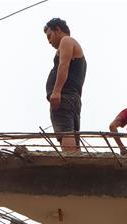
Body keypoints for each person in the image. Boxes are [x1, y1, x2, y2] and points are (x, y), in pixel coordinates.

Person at [44, 18, 86, 152]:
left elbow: (64, 65)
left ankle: (70, 162)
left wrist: (56, 92)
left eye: (49, 36)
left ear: (58, 29)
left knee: (66, 132)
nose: (49, 41)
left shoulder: (66, 41)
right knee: (71, 134)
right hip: (71, 98)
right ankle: (76, 161)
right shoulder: (71, 44)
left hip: (65, 96)